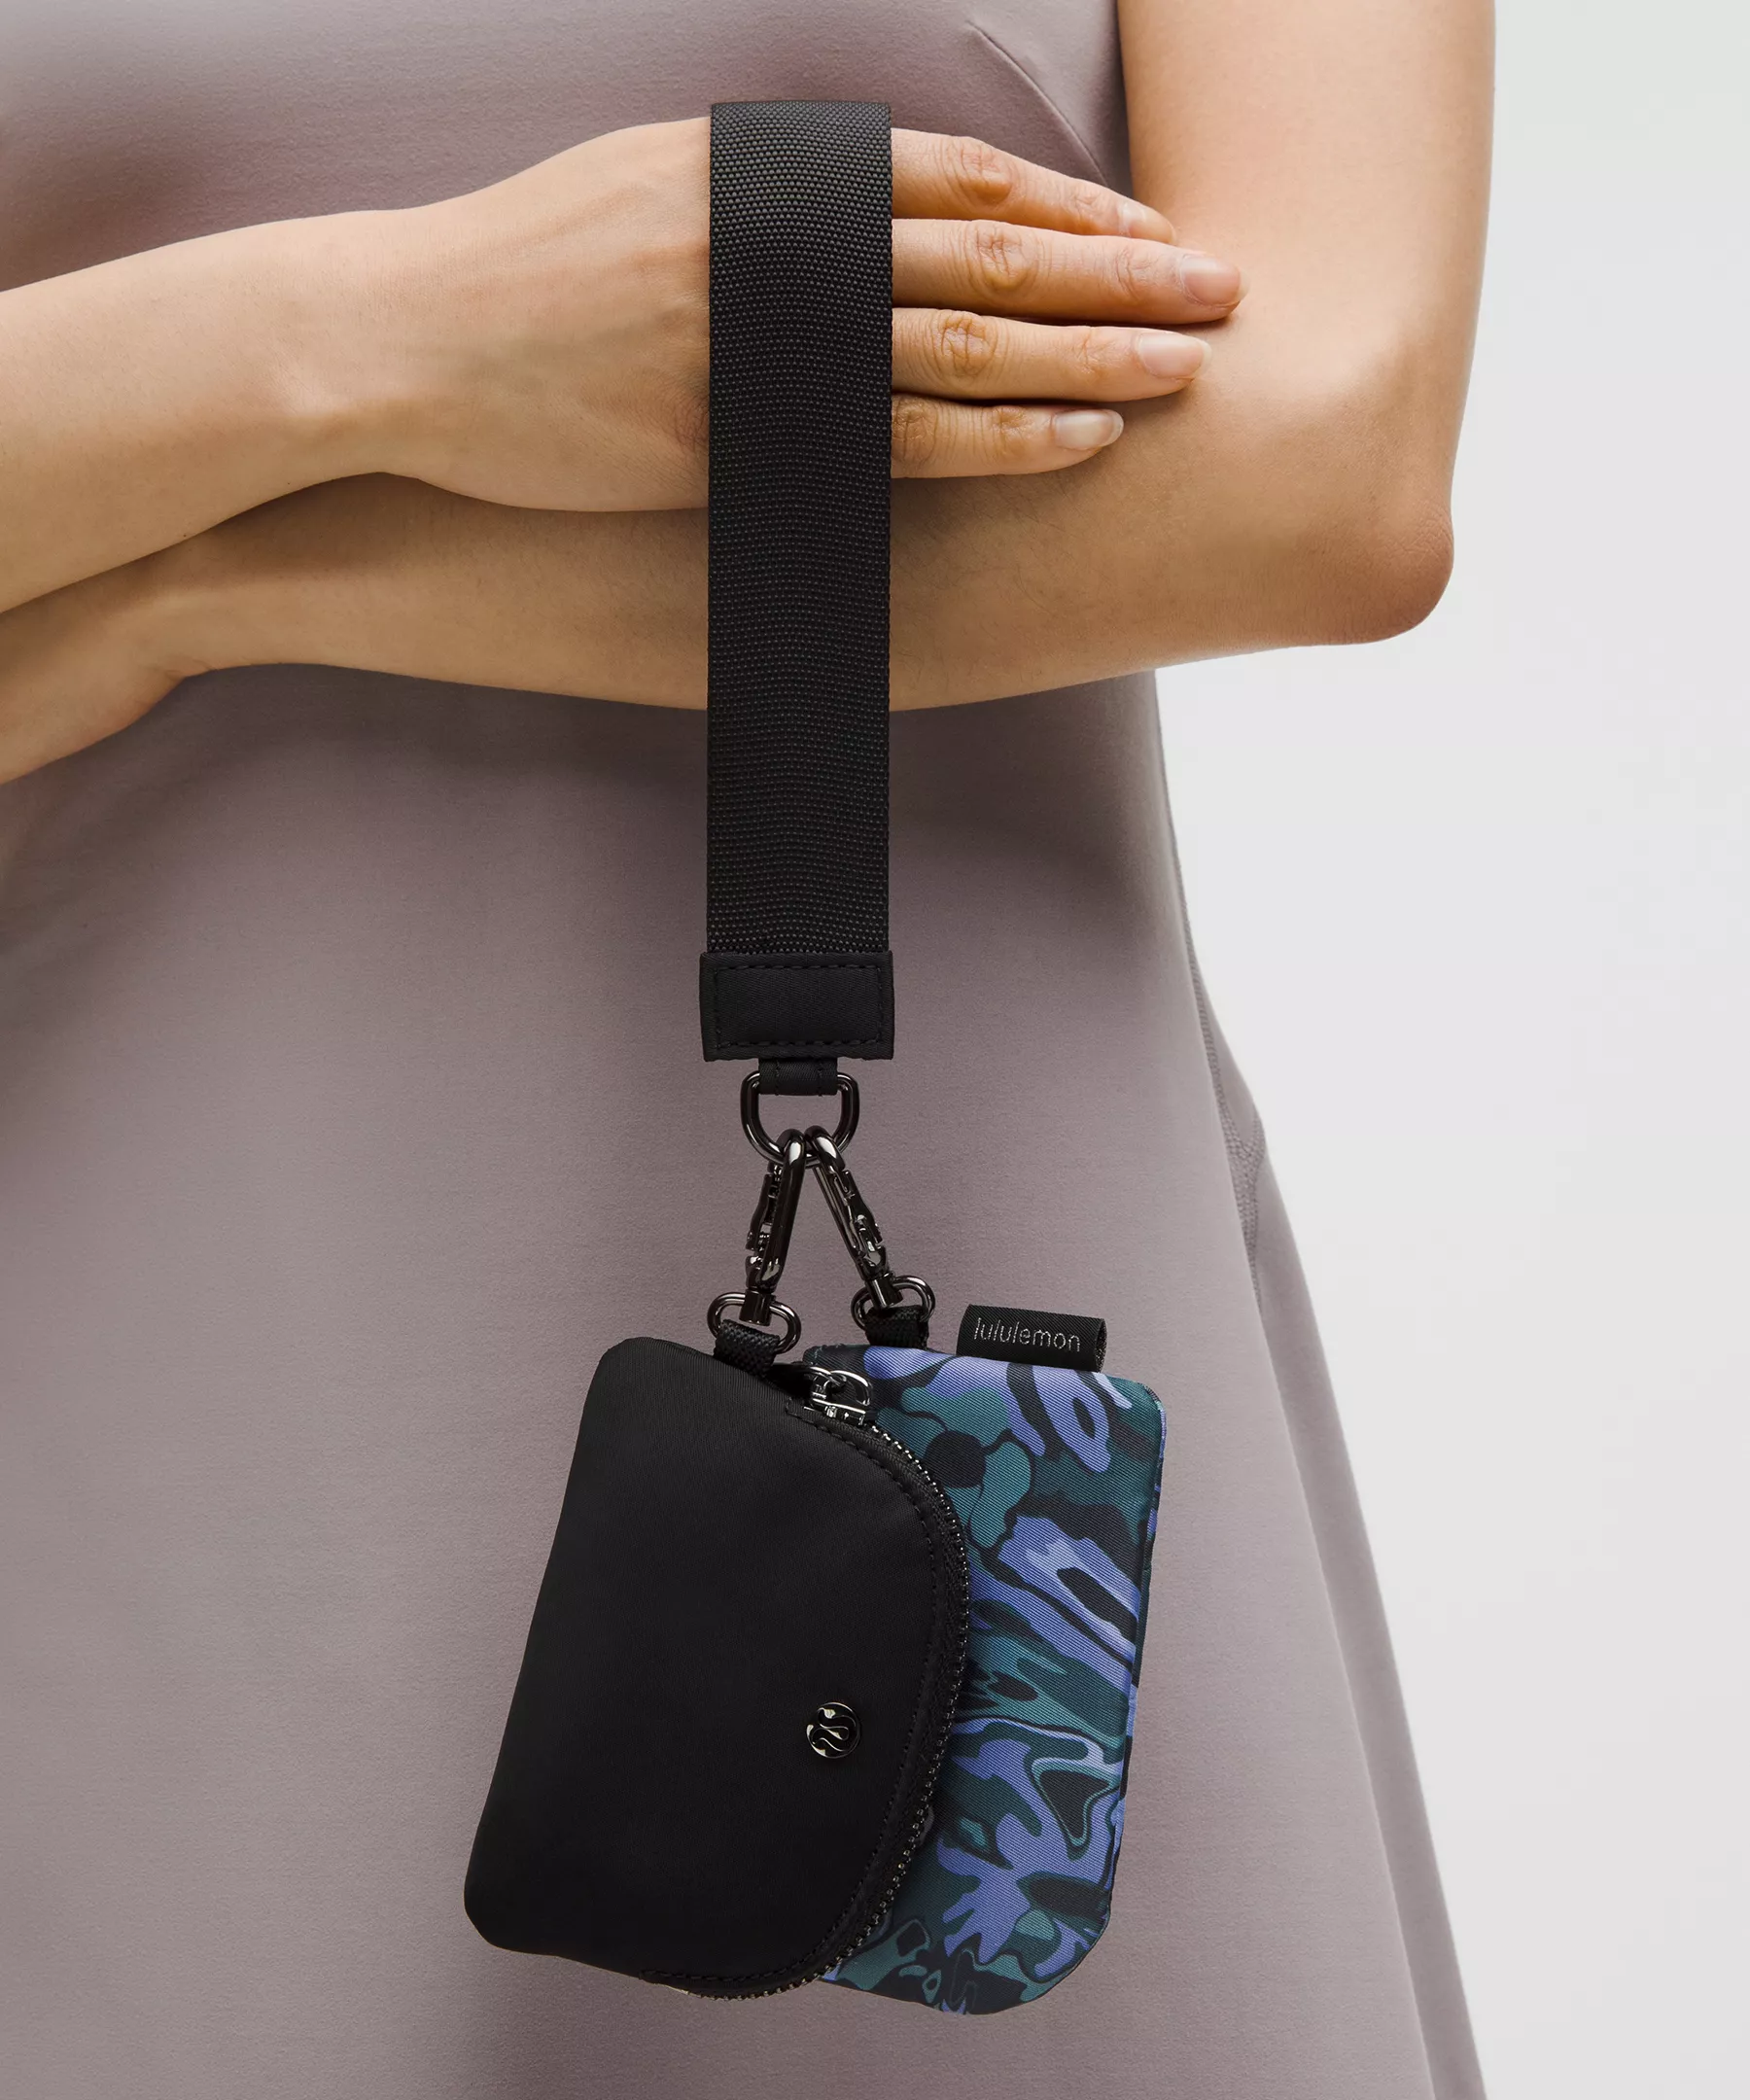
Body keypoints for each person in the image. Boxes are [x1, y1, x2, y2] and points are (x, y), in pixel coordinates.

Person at [0, 1, 1492, 2095]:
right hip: (105, 1320)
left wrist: (192, 570)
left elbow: (1320, 471)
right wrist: (387, 329)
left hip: (960, 1343)